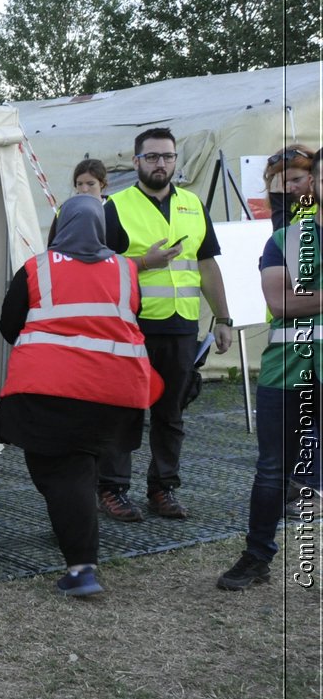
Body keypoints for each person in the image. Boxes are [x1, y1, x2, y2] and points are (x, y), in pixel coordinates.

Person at [0, 195, 158, 597]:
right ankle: (77, 536)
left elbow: (9, 325)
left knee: (62, 475)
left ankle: (82, 569)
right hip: (116, 394)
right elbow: (134, 319)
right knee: (78, 471)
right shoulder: (125, 269)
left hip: (51, 392)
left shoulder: (36, 268)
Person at [96, 128, 235, 522]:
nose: (161, 163)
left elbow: (207, 264)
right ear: (136, 161)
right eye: (153, 156)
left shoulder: (192, 204)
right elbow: (98, 267)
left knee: (171, 413)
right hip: (131, 328)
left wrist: (223, 318)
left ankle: (162, 488)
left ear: (176, 161)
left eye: (168, 157)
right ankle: (112, 488)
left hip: (181, 328)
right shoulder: (115, 207)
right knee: (124, 410)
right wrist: (143, 263)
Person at [218, 146, 322, 590]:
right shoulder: (285, 239)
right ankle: (256, 558)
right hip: (286, 374)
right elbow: (279, 302)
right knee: (273, 471)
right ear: (316, 184)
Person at [47, 159, 109, 244]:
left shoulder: (113, 208)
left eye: (90, 184)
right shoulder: (66, 210)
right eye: (79, 184)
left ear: (101, 183)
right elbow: (53, 244)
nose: (84, 189)